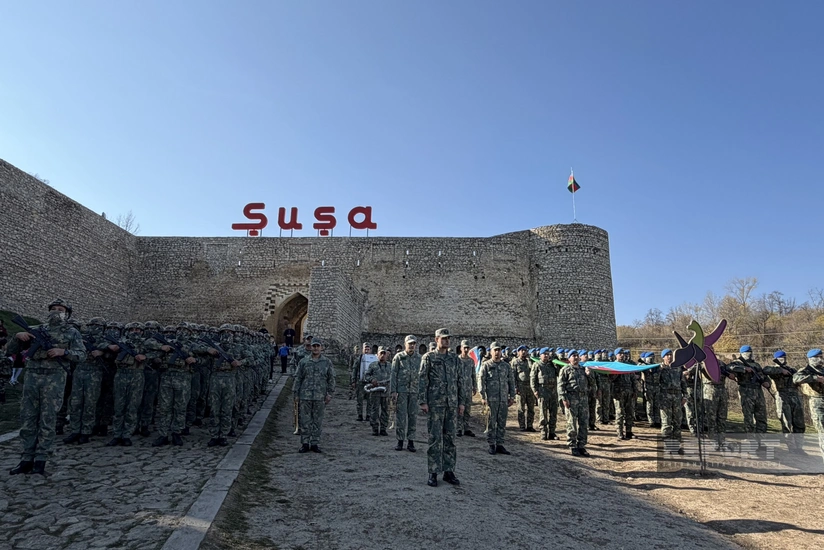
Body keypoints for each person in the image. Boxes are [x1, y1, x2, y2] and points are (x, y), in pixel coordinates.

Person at [8, 299, 86, 476]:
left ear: (66, 314)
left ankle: (41, 459)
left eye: (60, 310)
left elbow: (81, 355)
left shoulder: (72, 332)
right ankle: (26, 458)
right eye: (53, 309)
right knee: (28, 418)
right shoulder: (35, 330)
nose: (56, 312)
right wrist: (18, 337)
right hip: (32, 377)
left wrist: (63, 352)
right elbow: (11, 350)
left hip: (54, 378)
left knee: (47, 419)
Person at [418, 328, 465, 487]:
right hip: (435, 404)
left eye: (448, 338)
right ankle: (433, 471)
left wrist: (461, 402)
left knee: (450, 438)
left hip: (451, 404)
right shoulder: (429, 358)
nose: (446, 341)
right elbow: (423, 380)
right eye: (443, 338)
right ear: (436, 339)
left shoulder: (454, 358)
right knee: (435, 438)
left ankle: (449, 471)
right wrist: (423, 401)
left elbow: (460, 381)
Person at [106, 322, 147, 446]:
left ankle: (127, 434)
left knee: (132, 406)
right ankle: (117, 434)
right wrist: (112, 348)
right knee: (119, 405)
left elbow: (156, 352)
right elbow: (103, 345)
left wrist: (144, 356)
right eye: (132, 329)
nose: (135, 331)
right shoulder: (120, 341)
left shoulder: (145, 343)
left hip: (137, 374)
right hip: (121, 374)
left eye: (138, 330)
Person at [293, 339, 335, 453]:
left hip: (320, 396)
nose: (316, 348)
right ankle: (305, 443)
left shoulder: (326, 362)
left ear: (321, 348)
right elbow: (298, 378)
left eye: (318, 346)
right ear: (310, 347)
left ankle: (315, 443)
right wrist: (296, 393)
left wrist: (330, 394)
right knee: (305, 420)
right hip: (305, 395)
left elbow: (331, 379)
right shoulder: (304, 362)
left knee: (317, 421)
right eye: (314, 346)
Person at [763, 350, 805, 452]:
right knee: (786, 423)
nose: (783, 360)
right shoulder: (774, 369)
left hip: (795, 397)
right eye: (781, 358)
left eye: (784, 357)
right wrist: (781, 371)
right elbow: (766, 370)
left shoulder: (792, 369)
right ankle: (791, 447)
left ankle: (799, 447)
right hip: (782, 397)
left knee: (799, 423)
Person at [727, 345, 769, 445]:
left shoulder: (757, 365)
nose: (749, 354)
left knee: (761, 416)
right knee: (748, 416)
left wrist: (767, 383)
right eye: (746, 352)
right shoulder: (738, 363)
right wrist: (744, 369)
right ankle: (750, 438)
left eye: (750, 352)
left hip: (758, 392)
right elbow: (729, 367)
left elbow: (764, 376)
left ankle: (761, 440)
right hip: (746, 391)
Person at [478, 341, 515, 455]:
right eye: (495, 350)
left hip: (503, 399)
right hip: (491, 399)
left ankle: (500, 444)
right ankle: (491, 444)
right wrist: (483, 396)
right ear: (491, 351)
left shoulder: (506, 366)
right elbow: (481, 380)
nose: (497, 352)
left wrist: (512, 396)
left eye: (499, 350)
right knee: (491, 422)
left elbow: (511, 381)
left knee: (502, 422)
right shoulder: (487, 365)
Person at [390, 335, 421, 452]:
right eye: (410, 343)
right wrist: (393, 391)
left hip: (414, 391)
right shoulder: (398, 357)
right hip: (401, 391)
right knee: (401, 417)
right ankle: (400, 441)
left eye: (413, 343)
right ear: (405, 344)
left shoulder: (419, 358)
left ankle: (411, 441)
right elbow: (393, 374)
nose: (412, 345)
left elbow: (422, 376)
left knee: (413, 417)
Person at [557, 350, 590, 457]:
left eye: (577, 356)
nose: (576, 358)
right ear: (569, 358)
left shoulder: (582, 369)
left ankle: (582, 445)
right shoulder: (565, 369)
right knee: (572, 423)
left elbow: (590, 384)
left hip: (583, 399)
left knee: (584, 423)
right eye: (573, 356)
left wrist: (589, 375)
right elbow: (561, 385)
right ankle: (572, 445)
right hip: (571, 398)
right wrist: (564, 399)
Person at [793, 350, 824, 464]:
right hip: (817, 402)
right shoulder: (805, 371)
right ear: (811, 358)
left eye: (821, 356)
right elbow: (796, 378)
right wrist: (816, 378)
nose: (821, 359)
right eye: (818, 357)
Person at [658, 349, 687, 454]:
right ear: (663, 357)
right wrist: (659, 371)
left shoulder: (678, 368)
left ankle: (677, 446)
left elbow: (683, 383)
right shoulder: (660, 368)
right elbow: (655, 382)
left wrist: (685, 396)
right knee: (666, 423)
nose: (669, 357)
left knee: (677, 422)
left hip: (677, 397)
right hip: (665, 397)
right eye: (667, 355)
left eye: (670, 355)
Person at [531, 347, 559, 440]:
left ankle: (552, 432)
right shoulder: (537, 365)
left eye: (548, 354)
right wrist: (535, 390)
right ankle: (543, 431)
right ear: (540, 355)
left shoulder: (552, 365)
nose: (546, 356)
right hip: (542, 392)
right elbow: (533, 378)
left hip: (553, 392)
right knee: (543, 413)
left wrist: (556, 363)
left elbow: (559, 373)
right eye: (545, 354)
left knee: (553, 413)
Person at [364, 347, 391, 436]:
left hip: (386, 392)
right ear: (377, 354)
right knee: (374, 410)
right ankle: (375, 428)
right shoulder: (373, 365)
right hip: (375, 392)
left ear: (387, 355)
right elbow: (366, 376)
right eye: (381, 353)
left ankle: (383, 428)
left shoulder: (390, 365)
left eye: (384, 353)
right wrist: (372, 380)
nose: (382, 355)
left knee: (385, 411)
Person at [611, 348, 636, 440]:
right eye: (619, 354)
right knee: (620, 413)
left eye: (622, 353)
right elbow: (610, 379)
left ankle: (629, 432)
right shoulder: (613, 365)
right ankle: (620, 432)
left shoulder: (627, 365)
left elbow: (633, 378)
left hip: (629, 392)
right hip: (618, 393)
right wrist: (617, 372)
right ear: (616, 355)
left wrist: (635, 391)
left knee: (630, 412)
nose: (622, 355)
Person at [510, 346, 536, 432]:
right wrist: (515, 387)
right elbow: (512, 376)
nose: (524, 352)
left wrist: (529, 361)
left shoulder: (530, 361)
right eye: (522, 351)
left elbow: (533, 371)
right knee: (521, 408)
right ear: (518, 352)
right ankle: (522, 425)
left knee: (531, 408)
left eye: (525, 350)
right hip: (520, 386)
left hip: (530, 386)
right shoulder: (515, 362)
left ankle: (530, 425)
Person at [456, 339, 477, 437]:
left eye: (467, 348)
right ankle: (458, 428)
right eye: (464, 347)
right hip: (459, 389)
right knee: (459, 409)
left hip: (468, 388)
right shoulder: (457, 360)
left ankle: (466, 428)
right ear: (461, 348)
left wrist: (475, 386)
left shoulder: (471, 361)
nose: (466, 349)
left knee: (467, 409)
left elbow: (473, 374)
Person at [350, 343, 375, 421]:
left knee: (370, 400)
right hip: (360, 382)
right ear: (362, 350)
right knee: (359, 399)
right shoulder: (359, 358)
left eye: (368, 349)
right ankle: (360, 415)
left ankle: (368, 415)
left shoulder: (373, 359)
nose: (367, 351)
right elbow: (354, 369)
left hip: (370, 382)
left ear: (370, 350)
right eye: (365, 349)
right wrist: (353, 380)